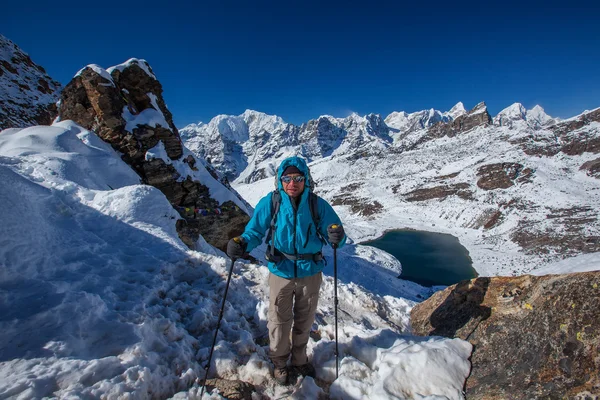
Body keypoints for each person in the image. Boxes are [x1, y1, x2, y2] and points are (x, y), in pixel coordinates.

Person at [226, 156, 346, 385]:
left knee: (305, 319)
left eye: (298, 178)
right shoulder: (270, 202)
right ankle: (280, 362)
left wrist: (337, 237)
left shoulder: (317, 205)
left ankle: (300, 359)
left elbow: (336, 235)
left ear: (306, 180)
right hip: (280, 271)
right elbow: (254, 232)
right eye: (287, 178)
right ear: (280, 180)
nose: (292, 183)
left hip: (310, 272)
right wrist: (241, 242)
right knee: (279, 321)